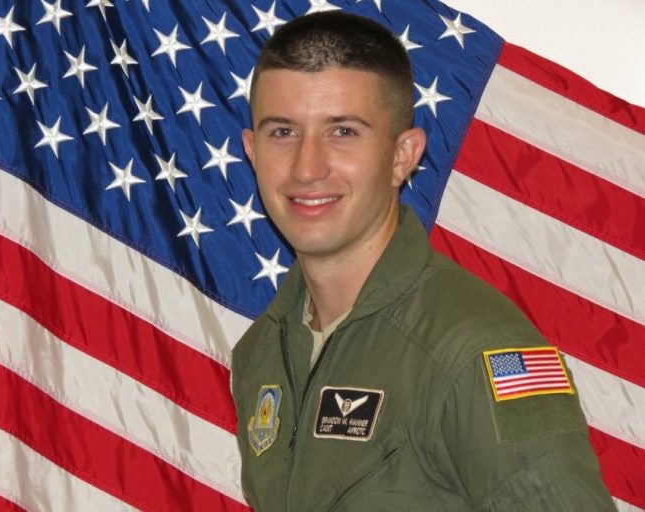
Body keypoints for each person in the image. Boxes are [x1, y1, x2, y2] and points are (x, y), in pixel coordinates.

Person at [231, 10, 615, 512]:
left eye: (342, 131)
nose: (308, 167)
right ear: (252, 150)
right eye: (283, 132)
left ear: (402, 155)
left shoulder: (476, 348)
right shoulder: (262, 350)